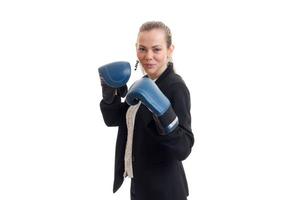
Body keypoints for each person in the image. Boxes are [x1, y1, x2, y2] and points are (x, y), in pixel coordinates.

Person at [99, 21, 194, 200]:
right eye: (142, 49)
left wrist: (164, 116)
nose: (148, 56)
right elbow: (116, 119)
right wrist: (109, 96)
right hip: (141, 186)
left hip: (165, 191)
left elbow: (184, 148)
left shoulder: (175, 87)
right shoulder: (141, 84)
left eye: (156, 49)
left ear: (170, 50)